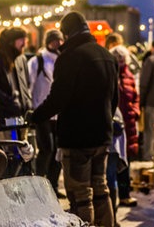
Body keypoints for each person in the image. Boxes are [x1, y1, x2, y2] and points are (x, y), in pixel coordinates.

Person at [29, 12, 118, 227]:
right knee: (100, 188)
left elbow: (58, 98)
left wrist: (35, 116)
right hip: (102, 133)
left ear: (67, 34)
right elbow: (114, 98)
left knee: (80, 195)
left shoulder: (69, 57)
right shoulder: (106, 55)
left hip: (77, 136)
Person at [27, 29, 65, 199]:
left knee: (58, 151)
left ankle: (53, 185)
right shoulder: (38, 61)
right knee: (46, 149)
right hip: (42, 111)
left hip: (59, 113)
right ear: (48, 42)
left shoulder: (63, 60)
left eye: (60, 40)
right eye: (54, 40)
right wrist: (31, 108)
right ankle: (38, 185)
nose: (57, 44)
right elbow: (30, 85)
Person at [109, 45, 140, 207]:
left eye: (122, 57)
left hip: (128, 122)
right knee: (115, 160)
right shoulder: (109, 75)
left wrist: (135, 111)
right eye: (117, 57)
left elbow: (135, 96)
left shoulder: (129, 76)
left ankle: (125, 194)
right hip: (114, 123)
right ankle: (113, 198)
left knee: (126, 161)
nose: (120, 60)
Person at [0, 27, 32, 126]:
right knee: (11, 140)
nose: (25, 43)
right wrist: (8, 102)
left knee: (23, 141)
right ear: (11, 42)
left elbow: (26, 84)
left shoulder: (21, 59)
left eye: (25, 39)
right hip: (6, 118)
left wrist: (28, 103)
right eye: (21, 39)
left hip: (23, 115)